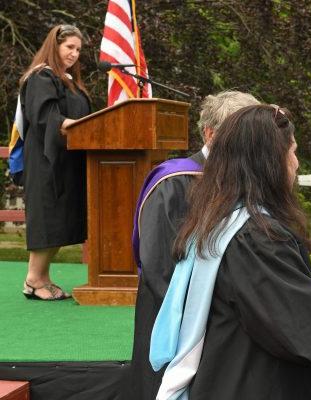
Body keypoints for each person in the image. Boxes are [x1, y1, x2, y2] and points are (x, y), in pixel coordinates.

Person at [148, 104, 311, 400]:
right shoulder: (256, 237)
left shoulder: (221, 222)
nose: (296, 163)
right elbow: (292, 328)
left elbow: (255, 303)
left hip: (224, 373)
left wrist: (310, 296)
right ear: (269, 162)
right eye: (292, 151)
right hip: (253, 384)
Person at [129, 91, 261, 399]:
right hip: (176, 326)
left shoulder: (245, 185)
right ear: (211, 134)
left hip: (223, 331)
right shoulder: (174, 184)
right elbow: (161, 272)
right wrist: (217, 314)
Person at [19, 24, 91, 301]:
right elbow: (46, 118)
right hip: (46, 161)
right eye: (69, 47)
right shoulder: (41, 78)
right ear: (55, 46)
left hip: (66, 161)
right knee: (49, 219)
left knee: (60, 220)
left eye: (78, 49)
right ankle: (34, 279)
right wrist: (76, 125)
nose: (74, 53)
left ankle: (42, 278)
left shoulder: (68, 80)